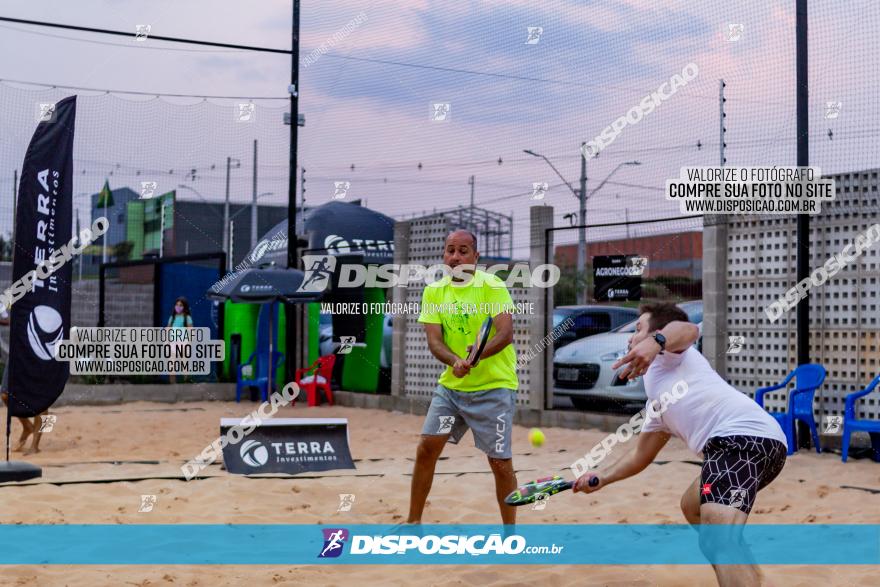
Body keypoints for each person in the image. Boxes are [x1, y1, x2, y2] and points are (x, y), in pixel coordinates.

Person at [572, 302, 787, 587]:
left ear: (658, 334)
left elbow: (687, 329)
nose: (631, 337)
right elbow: (640, 456)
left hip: (741, 440)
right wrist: (600, 478)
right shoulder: (659, 401)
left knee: (718, 537)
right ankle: (745, 570)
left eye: (638, 329)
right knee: (692, 506)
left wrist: (656, 342)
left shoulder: (671, 353)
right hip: (753, 447)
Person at [403, 229, 519, 525]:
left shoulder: (492, 286)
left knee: (500, 463)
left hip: (493, 388)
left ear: (476, 258)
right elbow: (434, 342)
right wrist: (455, 360)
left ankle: (511, 535)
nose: (455, 257)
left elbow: (505, 334)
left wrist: (478, 355)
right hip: (452, 390)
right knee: (426, 448)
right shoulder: (434, 292)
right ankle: (413, 523)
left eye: (463, 250)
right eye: (450, 250)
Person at [166, 297, 193, 384]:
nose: (178, 307)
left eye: (181, 305)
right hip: (173, 343)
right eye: (177, 305)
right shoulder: (172, 318)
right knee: (171, 365)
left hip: (183, 343)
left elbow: (190, 331)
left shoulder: (187, 318)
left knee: (184, 365)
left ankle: (186, 385)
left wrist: (189, 342)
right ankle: (172, 386)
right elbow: (168, 330)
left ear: (184, 307)